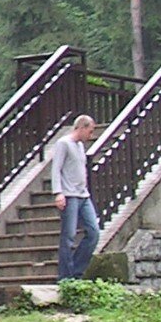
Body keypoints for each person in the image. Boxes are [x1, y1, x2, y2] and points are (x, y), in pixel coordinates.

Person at [51, 112, 100, 280]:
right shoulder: (64, 144)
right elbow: (56, 168)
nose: (91, 135)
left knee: (93, 232)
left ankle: (76, 270)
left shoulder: (80, 146)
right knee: (69, 235)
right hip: (69, 194)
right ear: (81, 127)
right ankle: (65, 276)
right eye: (90, 131)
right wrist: (58, 193)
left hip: (83, 195)